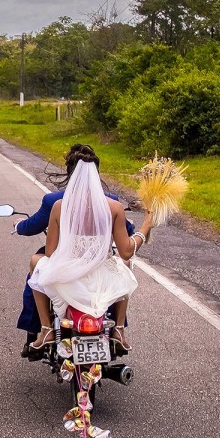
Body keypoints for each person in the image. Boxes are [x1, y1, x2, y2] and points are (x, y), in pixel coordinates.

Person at [26, 145, 155, 352]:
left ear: (71, 174)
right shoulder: (114, 207)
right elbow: (126, 251)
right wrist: (146, 226)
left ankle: (46, 329)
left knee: (36, 261)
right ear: (96, 174)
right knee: (124, 264)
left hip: (68, 280)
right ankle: (119, 329)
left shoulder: (60, 206)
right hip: (101, 279)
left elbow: (50, 253)